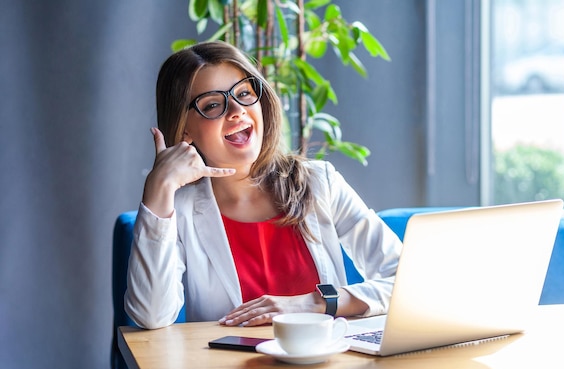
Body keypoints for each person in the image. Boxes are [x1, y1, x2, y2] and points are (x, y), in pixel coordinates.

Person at [124, 41, 402, 330]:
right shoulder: (179, 209)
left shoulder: (321, 183)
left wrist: (315, 303)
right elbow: (150, 316)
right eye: (213, 104)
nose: (236, 110)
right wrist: (158, 188)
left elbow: (407, 283)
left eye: (244, 93)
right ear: (185, 129)